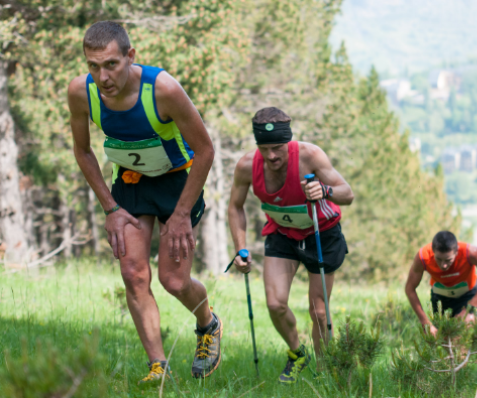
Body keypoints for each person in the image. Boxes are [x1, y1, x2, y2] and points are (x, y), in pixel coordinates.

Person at [67, 21, 221, 383]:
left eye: (111, 64)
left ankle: (208, 323)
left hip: (177, 185)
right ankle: (158, 367)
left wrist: (182, 213)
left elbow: (206, 150)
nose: (102, 76)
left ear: (130, 56)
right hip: (131, 183)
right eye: (93, 65)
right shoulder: (80, 92)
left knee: (174, 281)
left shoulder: (162, 88)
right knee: (133, 274)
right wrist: (110, 208)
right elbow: (82, 150)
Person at [227, 107, 354, 383]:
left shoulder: (310, 156)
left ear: (289, 142)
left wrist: (325, 190)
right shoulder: (247, 166)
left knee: (319, 311)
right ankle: (298, 353)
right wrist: (240, 248)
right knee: (275, 304)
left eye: (278, 148)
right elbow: (235, 207)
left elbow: (348, 193)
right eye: (264, 148)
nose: (271, 155)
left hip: (322, 233)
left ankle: (323, 373)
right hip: (282, 233)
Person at [405, 231, 477, 336]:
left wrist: (469, 308)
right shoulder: (423, 257)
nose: (443, 265)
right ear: (433, 251)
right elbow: (409, 289)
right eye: (439, 259)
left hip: (467, 296)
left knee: (461, 337)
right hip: (440, 299)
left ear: (456, 252)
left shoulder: (472, 253)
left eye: (448, 260)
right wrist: (425, 321)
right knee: (441, 339)